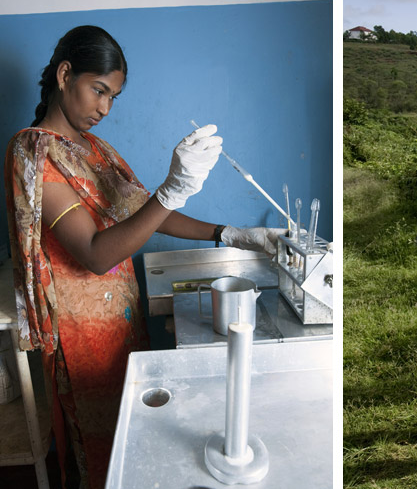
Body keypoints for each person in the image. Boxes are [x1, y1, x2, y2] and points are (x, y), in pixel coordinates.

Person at [3, 25, 286, 487]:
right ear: (64, 74)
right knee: (101, 451)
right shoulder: (32, 153)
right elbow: (95, 254)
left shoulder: (96, 150)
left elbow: (145, 215)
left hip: (121, 319)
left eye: (113, 97)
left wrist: (231, 234)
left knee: (135, 438)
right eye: (98, 90)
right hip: (80, 334)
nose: (104, 109)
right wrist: (171, 191)